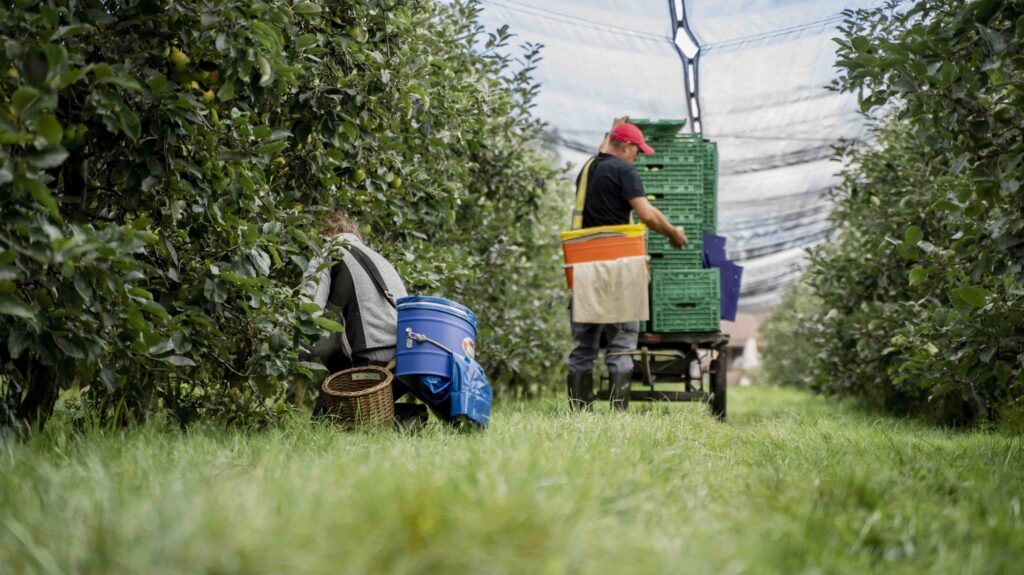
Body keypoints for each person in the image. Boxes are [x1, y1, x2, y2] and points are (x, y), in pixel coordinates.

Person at [566, 117, 687, 411]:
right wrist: (673, 233)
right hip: (617, 268)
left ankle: (579, 413)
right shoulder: (625, 171)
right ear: (628, 147)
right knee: (621, 343)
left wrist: (611, 127)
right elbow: (645, 214)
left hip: (584, 270)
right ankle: (618, 414)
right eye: (638, 150)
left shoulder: (588, 169)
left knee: (584, 348)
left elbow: (602, 150)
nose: (638, 157)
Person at [299, 213, 423, 422]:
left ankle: (406, 419)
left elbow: (309, 309)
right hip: (405, 358)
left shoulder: (330, 251)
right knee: (360, 412)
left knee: (327, 421)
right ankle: (406, 419)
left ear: (328, 234)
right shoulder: (381, 260)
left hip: (372, 360)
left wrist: (289, 350)